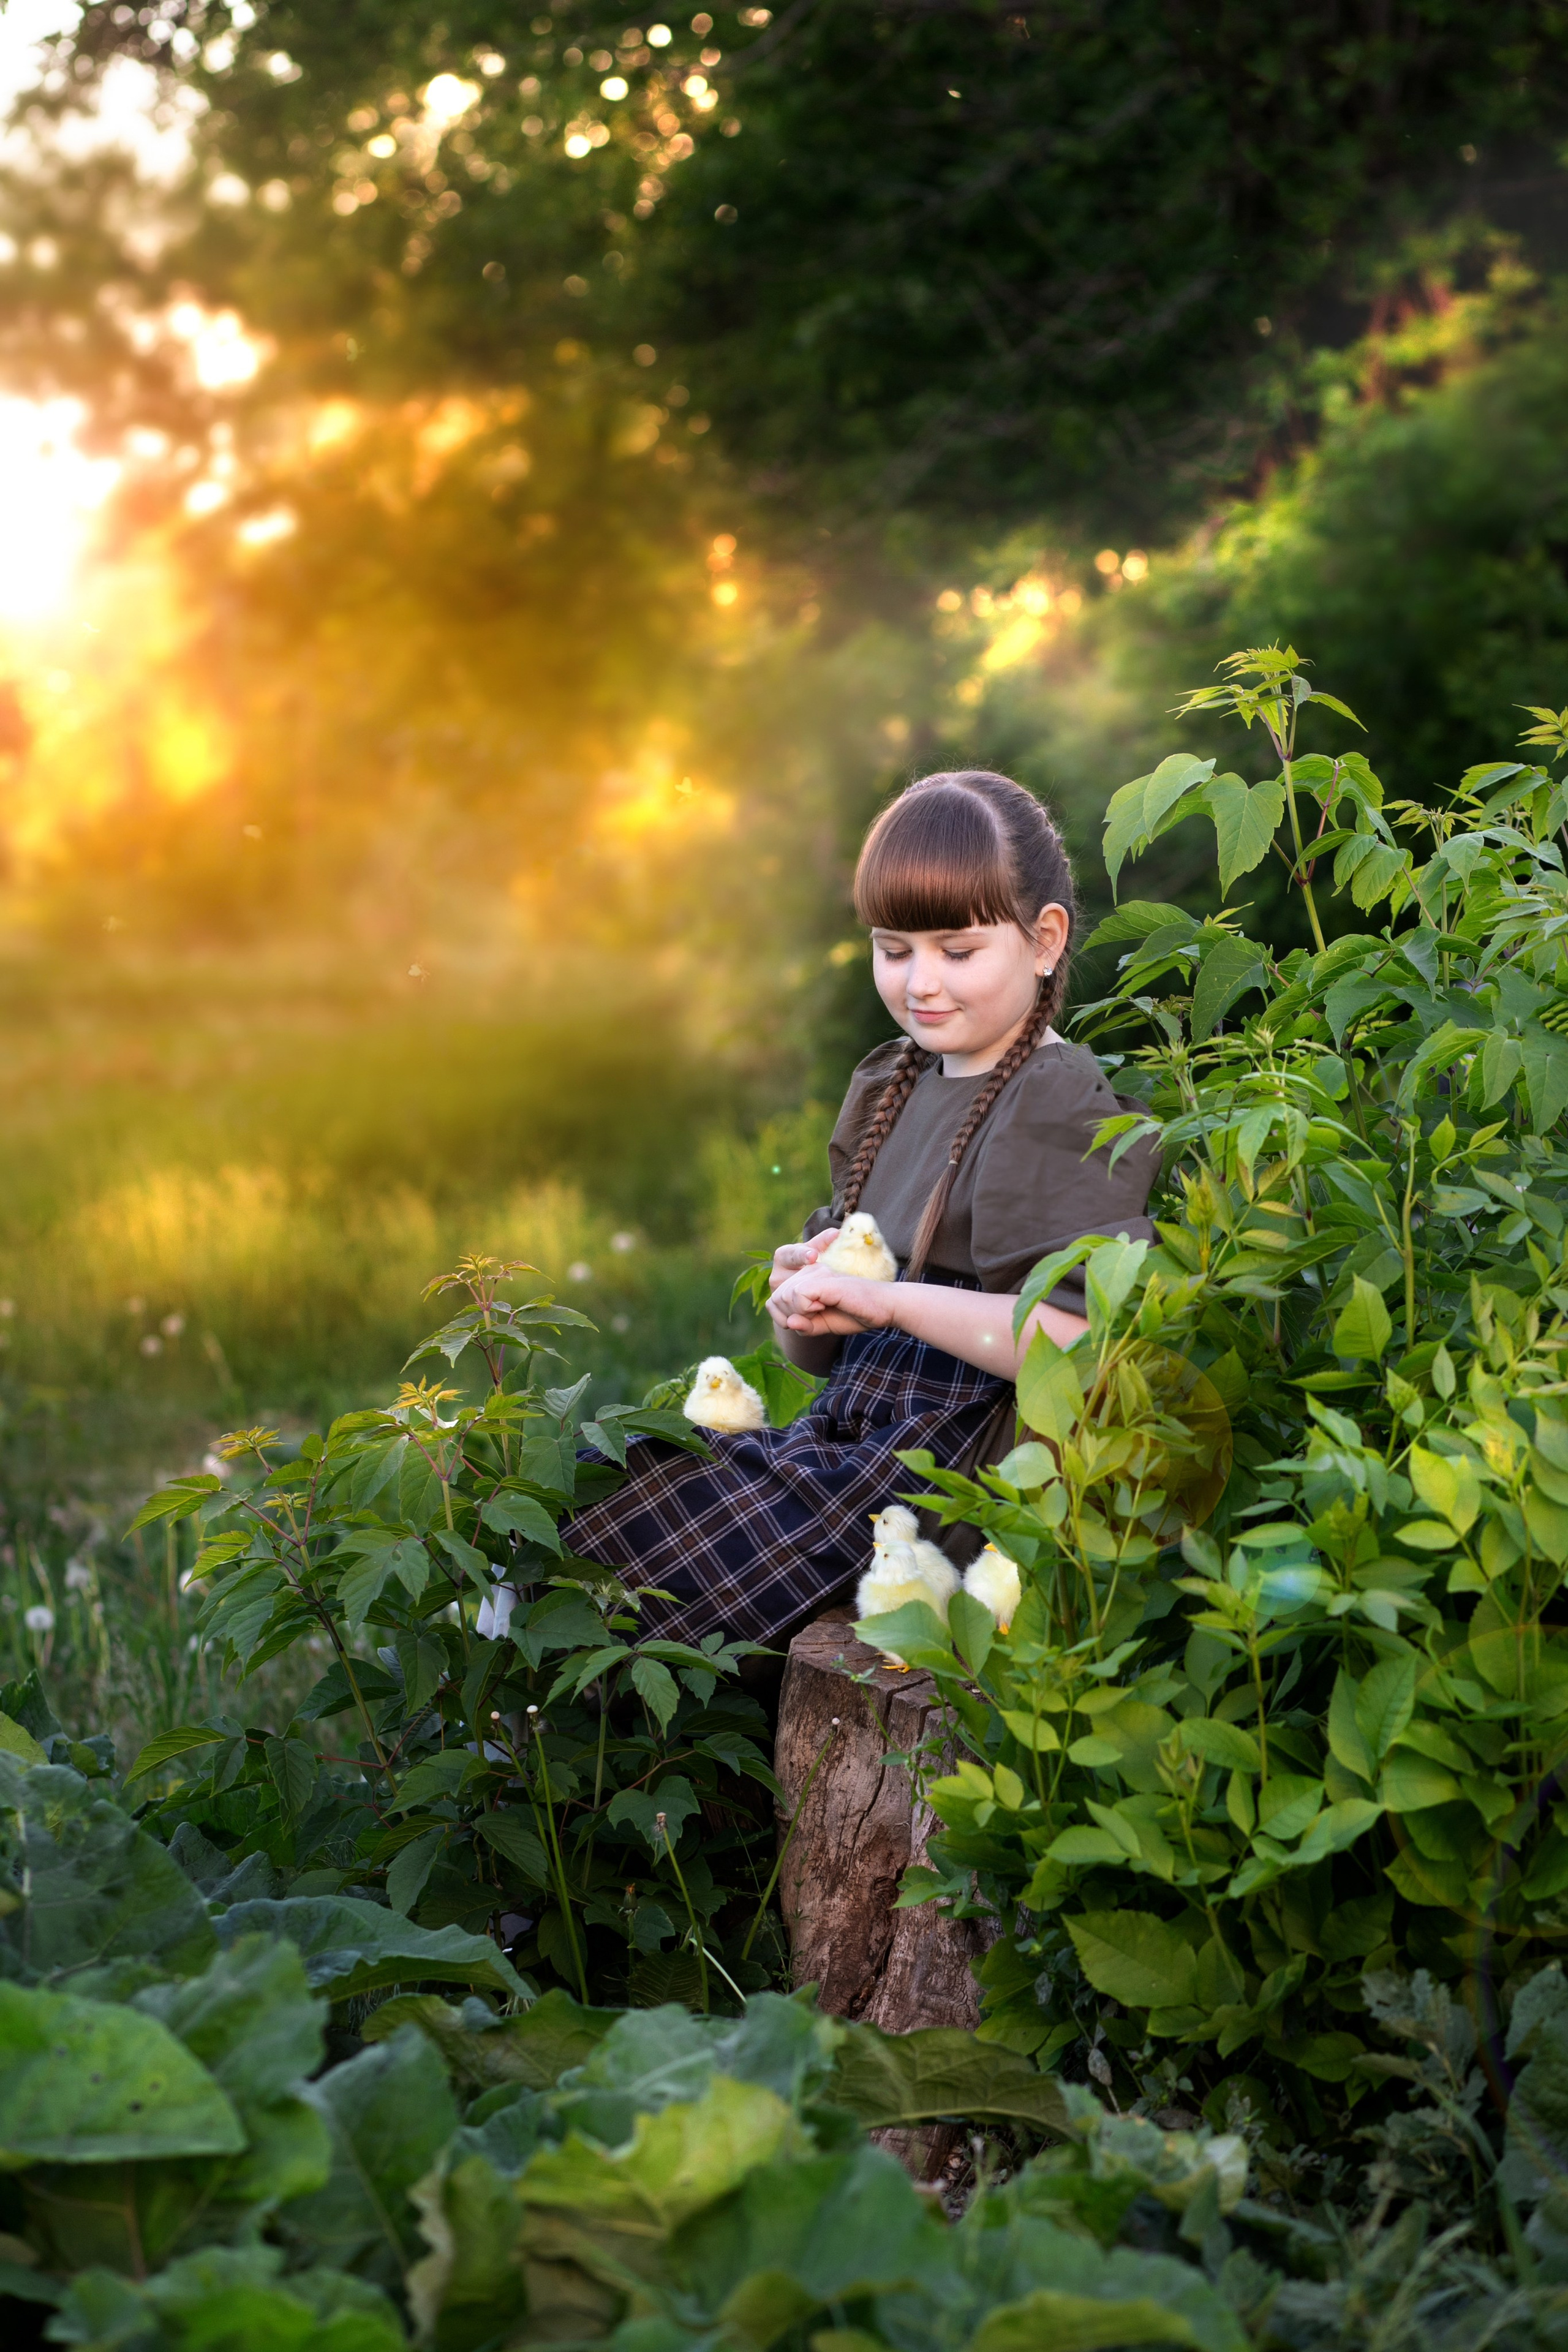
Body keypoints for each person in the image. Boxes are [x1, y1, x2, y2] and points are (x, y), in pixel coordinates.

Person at [559, 768, 1161, 1646]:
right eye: (894, 949)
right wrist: (805, 1298)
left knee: (643, 1535)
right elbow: (813, 1360)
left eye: (957, 951)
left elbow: (1075, 1342)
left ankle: (571, 1743)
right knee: (601, 1475)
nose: (921, 982)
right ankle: (543, 1742)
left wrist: (890, 1302)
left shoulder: (1053, 1093)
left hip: (950, 1470)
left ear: (1044, 940)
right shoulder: (895, 1082)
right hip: (850, 1437)